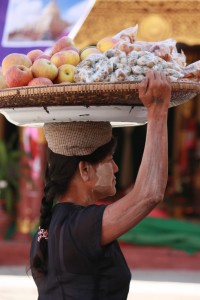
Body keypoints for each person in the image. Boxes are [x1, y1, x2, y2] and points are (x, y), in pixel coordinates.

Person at [30, 70, 171, 300]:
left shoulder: (52, 225)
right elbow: (150, 193)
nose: (116, 168)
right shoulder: (78, 228)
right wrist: (157, 111)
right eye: (109, 160)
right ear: (85, 169)